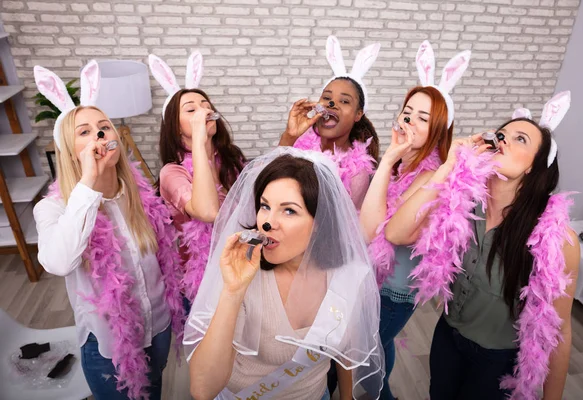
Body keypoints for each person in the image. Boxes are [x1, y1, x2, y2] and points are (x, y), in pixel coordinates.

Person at [405, 91, 579, 400]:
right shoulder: (459, 204)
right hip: (447, 337)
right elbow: (396, 232)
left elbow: (559, 331)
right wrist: (448, 165)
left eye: (520, 139)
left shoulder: (556, 239)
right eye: (501, 134)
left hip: (497, 360)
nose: (503, 139)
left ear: (533, 168)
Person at [33, 61, 185, 400]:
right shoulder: (54, 208)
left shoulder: (141, 195)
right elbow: (58, 262)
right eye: (84, 132)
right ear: (70, 151)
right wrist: (88, 183)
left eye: (104, 127)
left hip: (158, 327)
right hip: (110, 346)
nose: (99, 134)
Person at [183, 147, 384, 400]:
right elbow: (202, 390)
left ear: (320, 220)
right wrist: (233, 292)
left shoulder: (349, 276)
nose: (268, 223)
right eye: (264, 206)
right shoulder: (244, 274)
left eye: (289, 210)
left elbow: (348, 352)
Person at [360, 40, 470, 400]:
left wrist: (395, 158)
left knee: (368, 352)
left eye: (424, 118)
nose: (410, 120)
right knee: (377, 346)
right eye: (408, 111)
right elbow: (367, 228)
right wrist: (391, 158)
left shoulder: (432, 177)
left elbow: (389, 231)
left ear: (440, 130)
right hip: (375, 280)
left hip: (395, 292)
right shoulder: (404, 165)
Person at [150, 52, 246, 304]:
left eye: (206, 105)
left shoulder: (230, 159)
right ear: (174, 126)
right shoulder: (172, 173)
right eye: (191, 109)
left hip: (239, 264)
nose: (204, 111)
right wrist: (199, 142)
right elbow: (208, 212)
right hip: (200, 279)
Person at [279, 35, 380, 209]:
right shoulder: (298, 145)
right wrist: (290, 136)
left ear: (358, 114)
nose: (332, 104)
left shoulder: (357, 173)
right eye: (327, 98)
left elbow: (333, 225)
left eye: (345, 101)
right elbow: (267, 182)